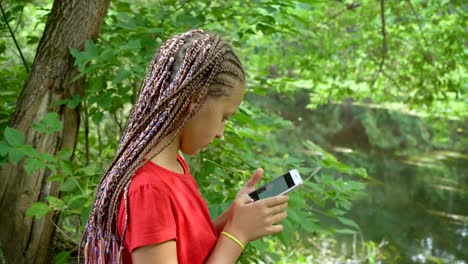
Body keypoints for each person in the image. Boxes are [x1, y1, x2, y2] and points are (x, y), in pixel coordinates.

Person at [81, 29, 289, 264]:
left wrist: (233, 218)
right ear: (194, 102)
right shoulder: (149, 190)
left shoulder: (174, 164)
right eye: (224, 117)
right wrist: (238, 235)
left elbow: (190, 250)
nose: (221, 133)